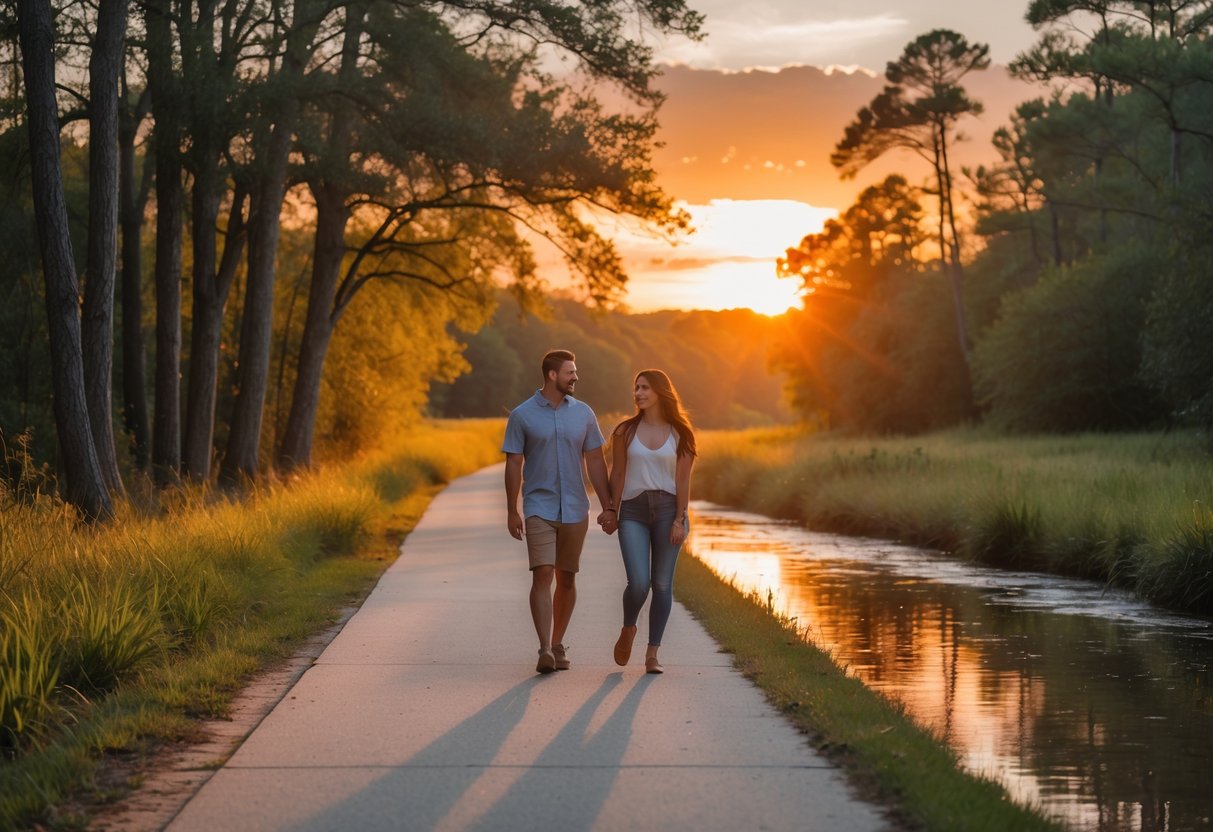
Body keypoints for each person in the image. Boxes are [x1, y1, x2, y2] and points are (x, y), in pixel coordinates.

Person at [503, 349, 616, 674]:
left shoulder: (583, 414)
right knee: (544, 573)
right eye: (570, 372)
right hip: (539, 505)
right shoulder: (522, 415)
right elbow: (514, 463)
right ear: (552, 375)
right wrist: (513, 510)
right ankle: (544, 649)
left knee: (567, 577)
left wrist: (608, 505)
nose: (575, 378)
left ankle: (557, 642)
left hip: (575, 509)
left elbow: (595, 460)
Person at [605, 369, 696, 674]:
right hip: (633, 510)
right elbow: (617, 474)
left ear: (660, 392)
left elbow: (683, 481)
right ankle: (629, 627)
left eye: (644, 388)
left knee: (661, 584)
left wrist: (680, 520)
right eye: (636, 388)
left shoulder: (681, 433)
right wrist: (611, 509)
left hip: (670, 511)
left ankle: (652, 654)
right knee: (639, 582)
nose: (639, 393)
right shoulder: (625, 432)